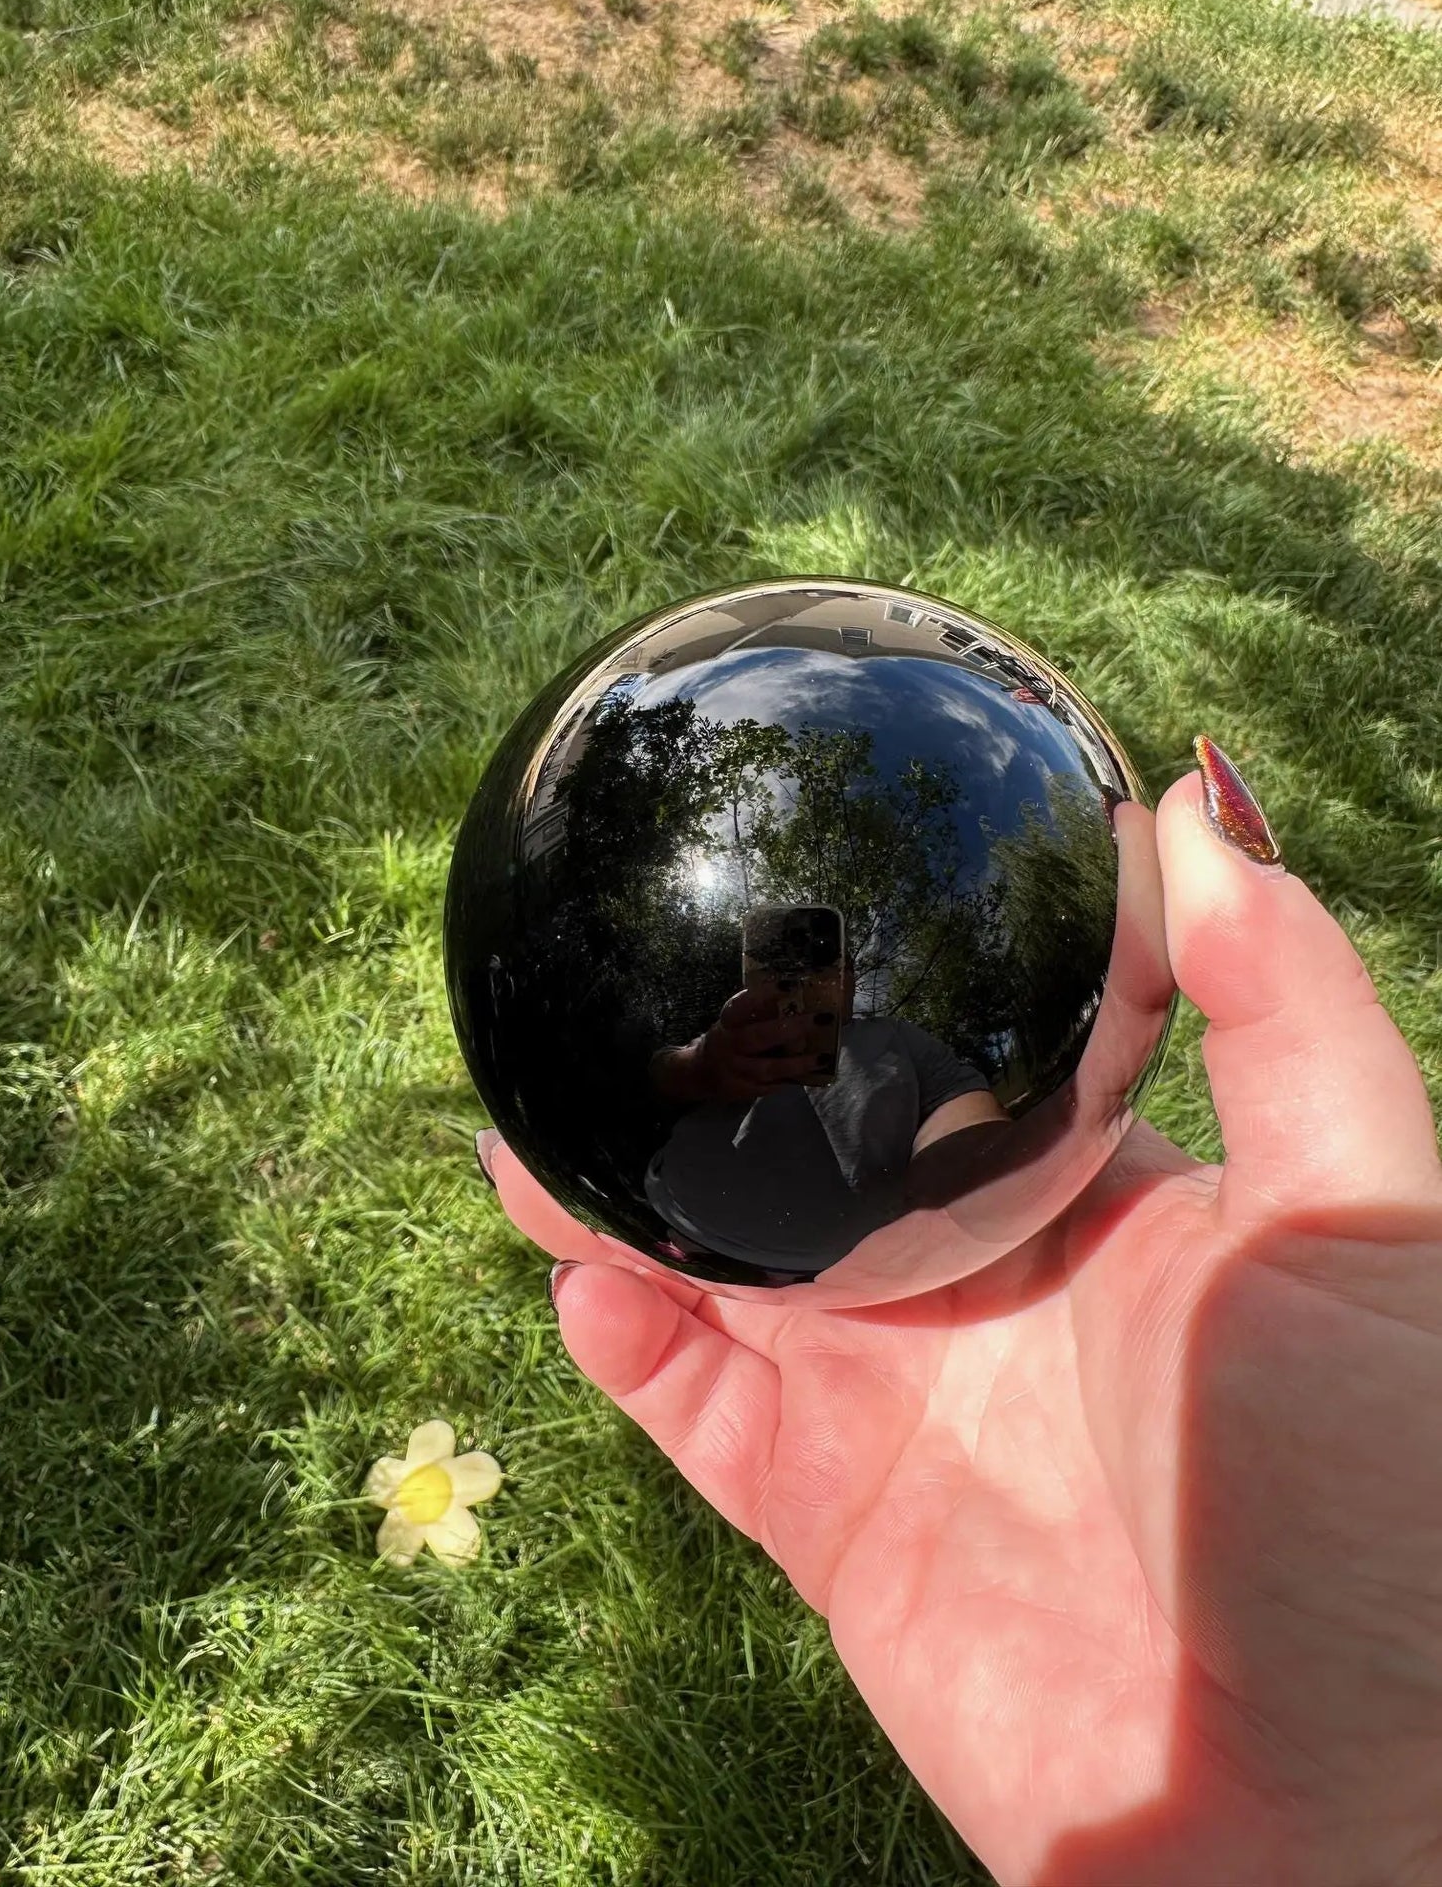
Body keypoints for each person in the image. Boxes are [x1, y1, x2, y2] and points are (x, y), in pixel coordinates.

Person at [476, 740, 1442, 1887]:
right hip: (729, 1253)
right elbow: (609, 1107)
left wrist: (1382, 1807)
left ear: (846, 976)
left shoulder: (906, 1053)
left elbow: (972, 1151)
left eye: (817, 970)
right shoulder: (708, 1057)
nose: (798, 995)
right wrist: (692, 1074)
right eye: (774, 968)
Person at [640, 957, 1009, 1270]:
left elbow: (960, 1102)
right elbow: (662, 1072)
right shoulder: (742, 1028)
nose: (811, 978)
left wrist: (973, 1190)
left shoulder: (898, 1038)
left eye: (828, 963)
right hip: (680, 1227)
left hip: (829, 1270)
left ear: (850, 979)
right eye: (791, 967)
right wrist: (704, 1066)